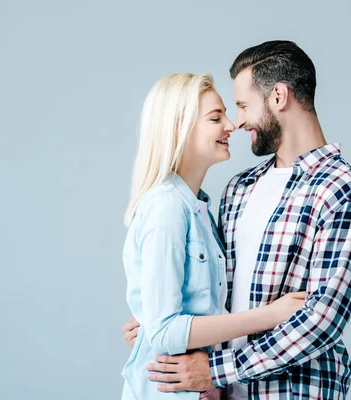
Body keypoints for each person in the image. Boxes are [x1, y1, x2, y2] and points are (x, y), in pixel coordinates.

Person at [123, 41, 351, 400]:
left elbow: (321, 322)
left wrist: (214, 371)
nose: (237, 121)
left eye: (243, 106)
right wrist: (160, 323)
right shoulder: (239, 189)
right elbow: (213, 291)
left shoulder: (342, 193)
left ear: (278, 96)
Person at [120, 72, 306, 400]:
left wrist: (211, 377)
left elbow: (183, 314)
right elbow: (166, 332)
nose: (231, 126)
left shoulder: (200, 209)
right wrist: (269, 315)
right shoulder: (167, 207)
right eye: (215, 117)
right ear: (179, 128)